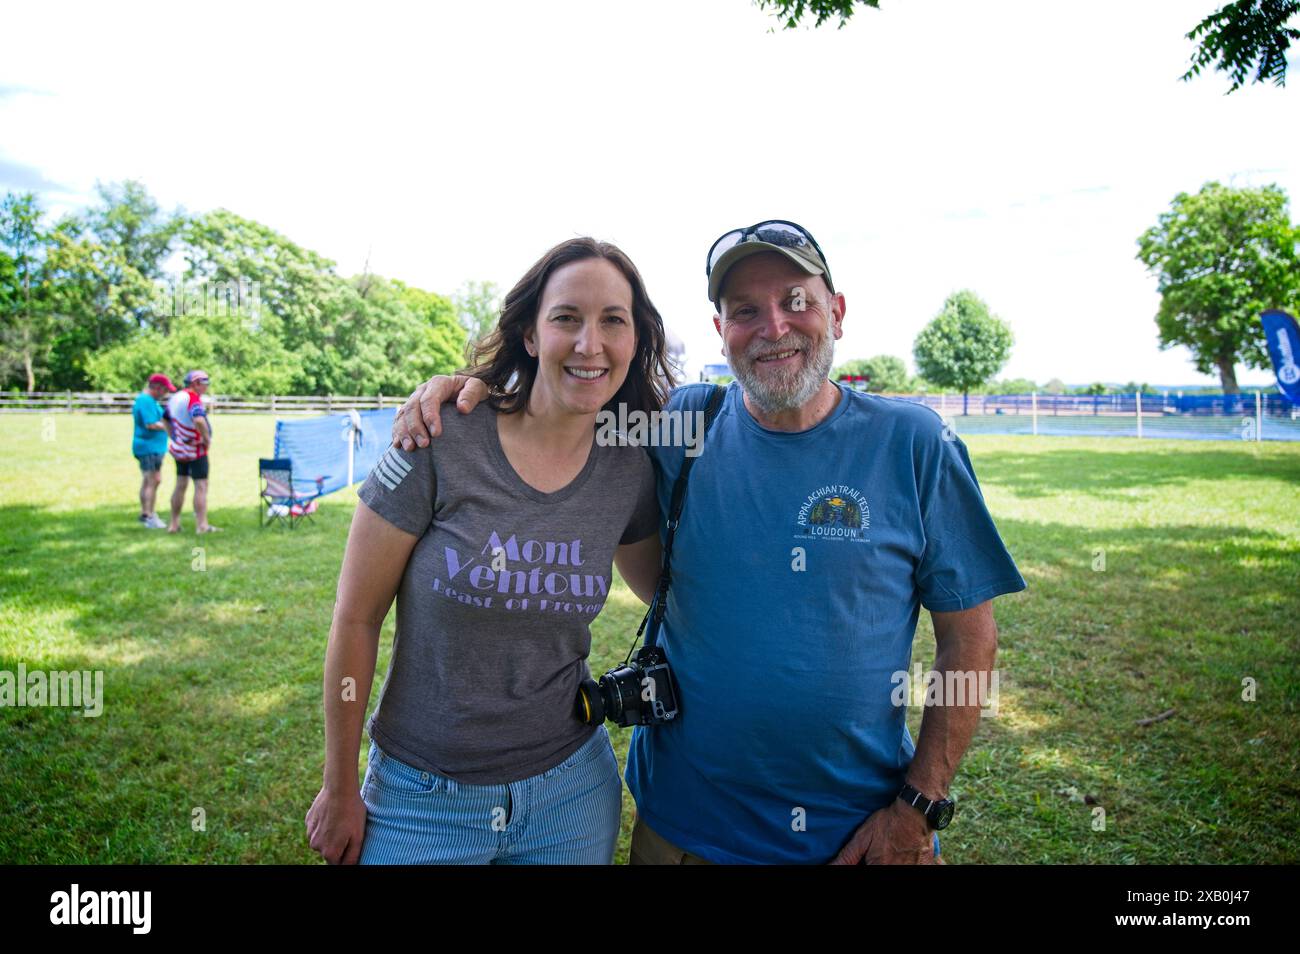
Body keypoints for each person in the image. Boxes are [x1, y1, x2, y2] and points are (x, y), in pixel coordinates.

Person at [391, 219, 1028, 864]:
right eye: (745, 310)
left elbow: (969, 637)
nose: (774, 327)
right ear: (721, 330)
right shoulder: (681, 425)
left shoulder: (916, 444)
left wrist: (918, 808)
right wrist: (471, 391)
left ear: (836, 311)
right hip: (679, 829)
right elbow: (570, 402)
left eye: (796, 301)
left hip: (853, 837)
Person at [304, 237, 672, 865]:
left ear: (635, 339)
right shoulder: (440, 436)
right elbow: (356, 618)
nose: (590, 344)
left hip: (571, 795)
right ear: (531, 335)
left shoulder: (630, 464)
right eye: (566, 318)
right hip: (421, 799)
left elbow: (667, 589)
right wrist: (340, 784)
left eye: (614, 320)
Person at [166, 370, 219, 533]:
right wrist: (206, 438)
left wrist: (174, 437)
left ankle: (174, 524)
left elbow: (165, 419)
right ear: (196, 383)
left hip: (180, 449)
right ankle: (202, 525)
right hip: (195, 449)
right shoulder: (193, 398)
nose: (206, 388)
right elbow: (198, 419)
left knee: (180, 484)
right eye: (205, 384)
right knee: (201, 485)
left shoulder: (175, 398)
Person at [132, 373, 176, 528]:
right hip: (149, 447)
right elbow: (150, 424)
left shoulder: (147, 401)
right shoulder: (146, 401)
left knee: (147, 480)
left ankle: (145, 513)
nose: (166, 394)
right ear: (157, 388)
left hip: (150, 447)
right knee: (154, 479)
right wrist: (172, 427)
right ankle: (150, 516)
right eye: (165, 390)